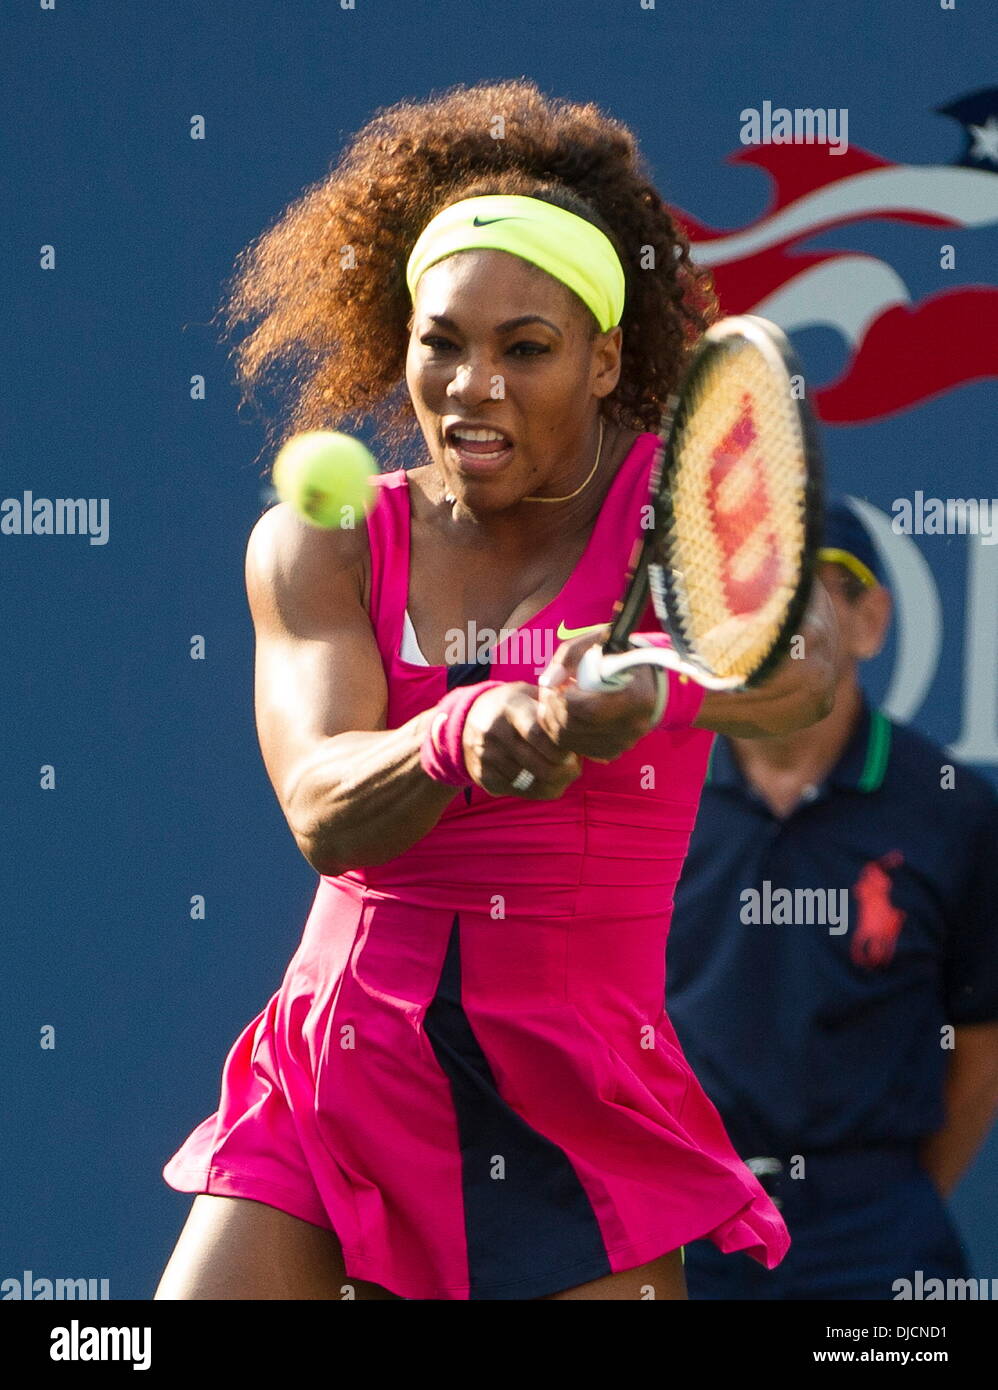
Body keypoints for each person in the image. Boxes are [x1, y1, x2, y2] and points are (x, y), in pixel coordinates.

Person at [154, 79, 835, 1302]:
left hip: (576, 1089)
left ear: (603, 357)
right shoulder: (324, 543)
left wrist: (650, 694)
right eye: (441, 342)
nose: (474, 384)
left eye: (524, 348)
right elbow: (319, 804)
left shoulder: (669, 507)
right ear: (399, 339)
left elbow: (797, 668)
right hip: (343, 1064)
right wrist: (463, 731)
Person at [667, 499, 998, 1300]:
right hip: (671, 1221)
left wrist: (879, 1207)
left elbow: (981, 1045)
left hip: (875, 1232)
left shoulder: (953, 809)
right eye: (746, 598)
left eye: (805, 595)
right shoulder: (646, 794)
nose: (775, 626)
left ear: (870, 620)